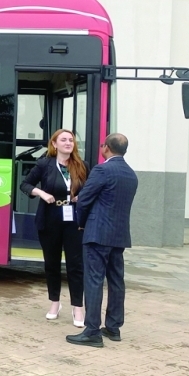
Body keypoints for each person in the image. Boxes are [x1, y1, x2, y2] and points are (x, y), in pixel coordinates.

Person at [66, 133, 138, 348]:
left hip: (97, 233)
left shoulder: (102, 169)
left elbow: (85, 199)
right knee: (116, 281)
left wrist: (81, 223)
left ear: (106, 147)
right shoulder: (131, 174)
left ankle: (92, 331)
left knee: (94, 280)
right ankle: (114, 327)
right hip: (119, 235)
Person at [20, 129, 89, 327]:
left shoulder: (82, 166)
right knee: (52, 264)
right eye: (63, 140)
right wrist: (41, 193)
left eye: (71, 140)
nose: (68, 143)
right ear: (55, 144)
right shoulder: (44, 164)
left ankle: (78, 307)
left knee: (76, 265)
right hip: (50, 218)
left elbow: (92, 189)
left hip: (74, 220)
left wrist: (81, 197)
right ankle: (54, 303)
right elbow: (25, 184)